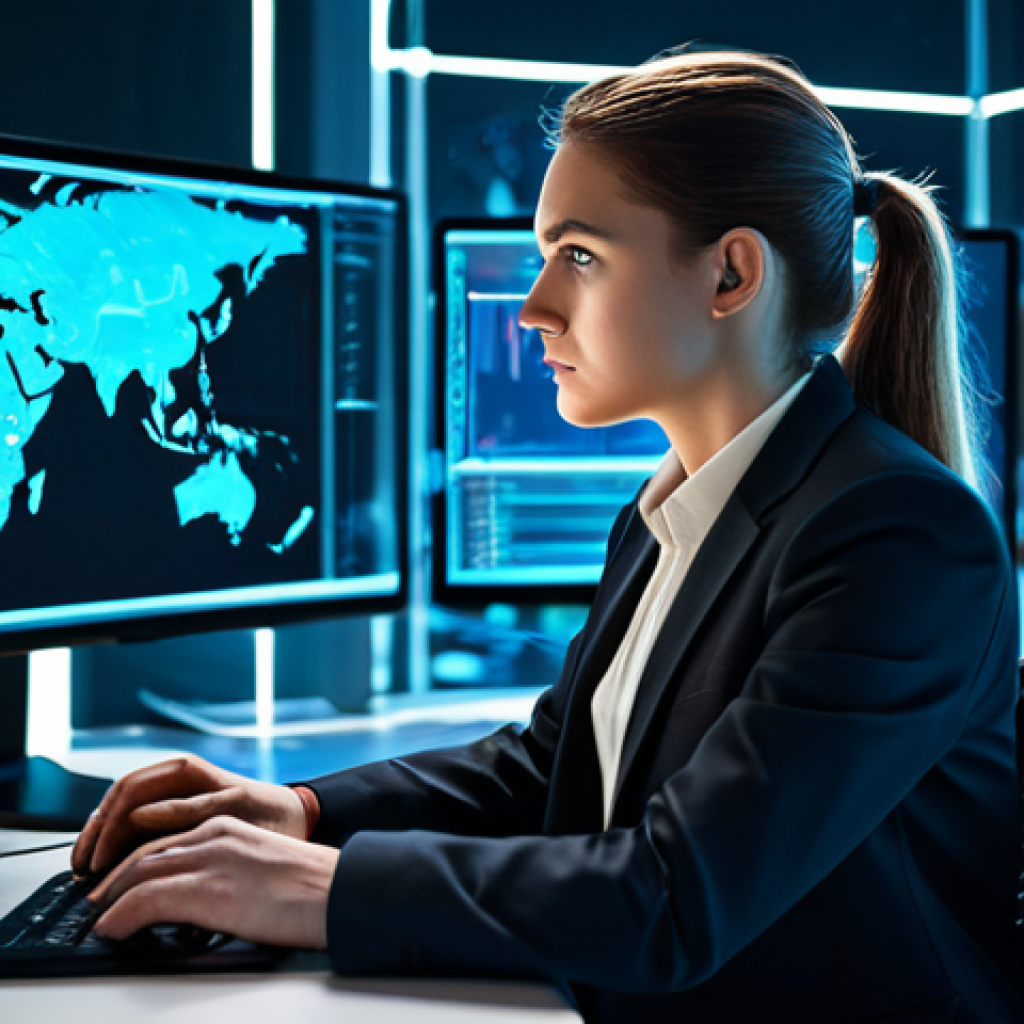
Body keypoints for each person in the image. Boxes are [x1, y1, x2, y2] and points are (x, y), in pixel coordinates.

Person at [72, 50, 1023, 1022]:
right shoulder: (672, 510)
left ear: (731, 273)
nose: (533, 308)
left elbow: (672, 897)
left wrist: (316, 888)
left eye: (578, 255)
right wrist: (306, 813)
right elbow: (555, 764)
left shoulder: (895, 537)